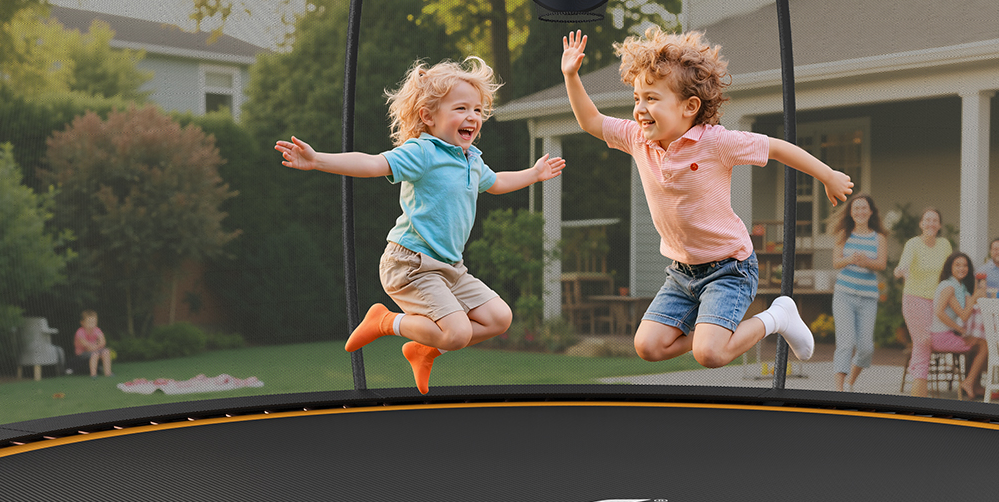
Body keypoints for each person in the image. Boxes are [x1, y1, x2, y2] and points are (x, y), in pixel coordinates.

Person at [559, 28, 853, 368]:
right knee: (648, 346)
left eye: (651, 99)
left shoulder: (716, 142)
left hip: (730, 267)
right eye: (637, 98)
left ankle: (777, 318)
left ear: (690, 106)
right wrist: (571, 76)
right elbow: (591, 120)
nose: (640, 109)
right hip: (682, 272)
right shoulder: (637, 139)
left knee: (710, 354)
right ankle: (710, 329)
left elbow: (775, 147)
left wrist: (827, 175)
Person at [276, 57, 566, 394]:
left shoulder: (471, 158)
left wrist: (534, 173)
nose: (472, 117)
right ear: (428, 116)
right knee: (458, 333)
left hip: (450, 267)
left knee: (498, 318)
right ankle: (385, 321)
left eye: (477, 110)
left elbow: (497, 182)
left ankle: (423, 349)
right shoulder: (423, 151)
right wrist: (319, 160)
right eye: (460, 108)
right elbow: (373, 164)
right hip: (410, 263)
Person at [830, 194, 888, 392]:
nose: (860, 212)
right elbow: (836, 262)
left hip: (868, 298)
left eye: (864, 208)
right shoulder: (844, 235)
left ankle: (849, 383)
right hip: (844, 295)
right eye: (856, 209)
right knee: (846, 343)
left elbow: (881, 264)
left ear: (871, 212)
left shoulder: (879, 237)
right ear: (851, 212)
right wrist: (850, 259)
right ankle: (838, 392)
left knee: (865, 349)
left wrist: (866, 262)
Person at [894, 207, 954, 397]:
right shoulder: (913, 244)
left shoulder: (944, 244)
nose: (931, 224)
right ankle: (919, 397)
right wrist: (902, 271)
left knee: (930, 342)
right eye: (927, 220)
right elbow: (904, 264)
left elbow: (950, 272)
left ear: (940, 225)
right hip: (915, 299)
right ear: (921, 224)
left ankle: (919, 388)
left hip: (938, 303)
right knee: (923, 342)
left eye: (935, 220)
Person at [927, 252, 990, 399]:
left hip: (948, 334)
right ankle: (968, 382)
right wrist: (959, 328)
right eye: (958, 265)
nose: (962, 268)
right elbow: (940, 312)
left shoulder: (961, 287)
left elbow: (967, 311)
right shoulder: (949, 287)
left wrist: (978, 289)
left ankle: (974, 384)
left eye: (965, 265)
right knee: (984, 344)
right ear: (950, 268)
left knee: (978, 342)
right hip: (940, 336)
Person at [74, 309, 113, 378]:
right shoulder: (80, 332)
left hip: (95, 349)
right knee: (95, 354)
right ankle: (93, 374)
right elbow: (86, 345)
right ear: (82, 323)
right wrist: (96, 346)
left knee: (106, 352)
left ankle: (108, 372)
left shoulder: (97, 330)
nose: (91, 325)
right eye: (89, 322)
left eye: (93, 322)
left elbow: (103, 342)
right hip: (83, 353)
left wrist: (97, 346)